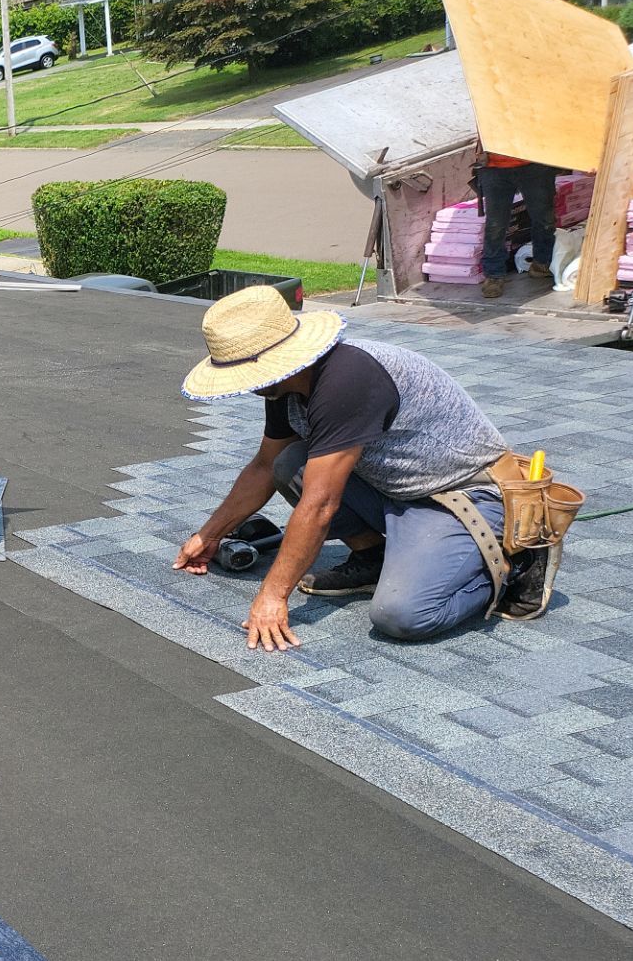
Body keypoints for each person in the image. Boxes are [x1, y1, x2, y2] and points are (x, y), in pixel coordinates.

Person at [172, 285, 535, 649]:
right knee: (289, 462)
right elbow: (264, 467)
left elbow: (320, 505)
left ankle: (510, 567)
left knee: (403, 615)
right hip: (397, 489)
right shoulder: (286, 385)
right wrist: (210, 535)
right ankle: (373, 555)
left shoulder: (346, 380)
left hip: (464, 495)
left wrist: (272, 596)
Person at [477, 153, 557, 300]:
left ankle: (542, 263)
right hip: (495, 167)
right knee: (496, 224)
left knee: (544, 219)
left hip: (534, 162)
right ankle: (493, 275)